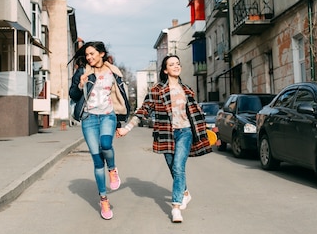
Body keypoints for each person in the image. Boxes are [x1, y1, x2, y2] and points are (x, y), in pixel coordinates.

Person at [117, 54, 212, 223]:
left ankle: (176, 208)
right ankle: (185, 193)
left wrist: (207, 130)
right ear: (165, 69)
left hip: (185, 132)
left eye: (178, 63)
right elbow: (143, 110)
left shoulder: (187, 90)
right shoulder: (157, 90)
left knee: (178, 166)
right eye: (172, 64)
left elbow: (196, 115)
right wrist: (127, 128)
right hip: (166, 134)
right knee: (173, 168)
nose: (176, 66)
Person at [69, 41, 130, 220]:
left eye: (92, 54)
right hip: (89, 118)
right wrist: (80, 85)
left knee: (105, 144)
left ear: (101, 53)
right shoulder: (83, 72)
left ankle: (112, 168)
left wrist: (120, 122)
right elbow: (73, 95)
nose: (89, 57)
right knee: (96, 160)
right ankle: (103, 200)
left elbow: (121, 96)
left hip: (107, 116)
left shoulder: (114, 72)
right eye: (87, 55)